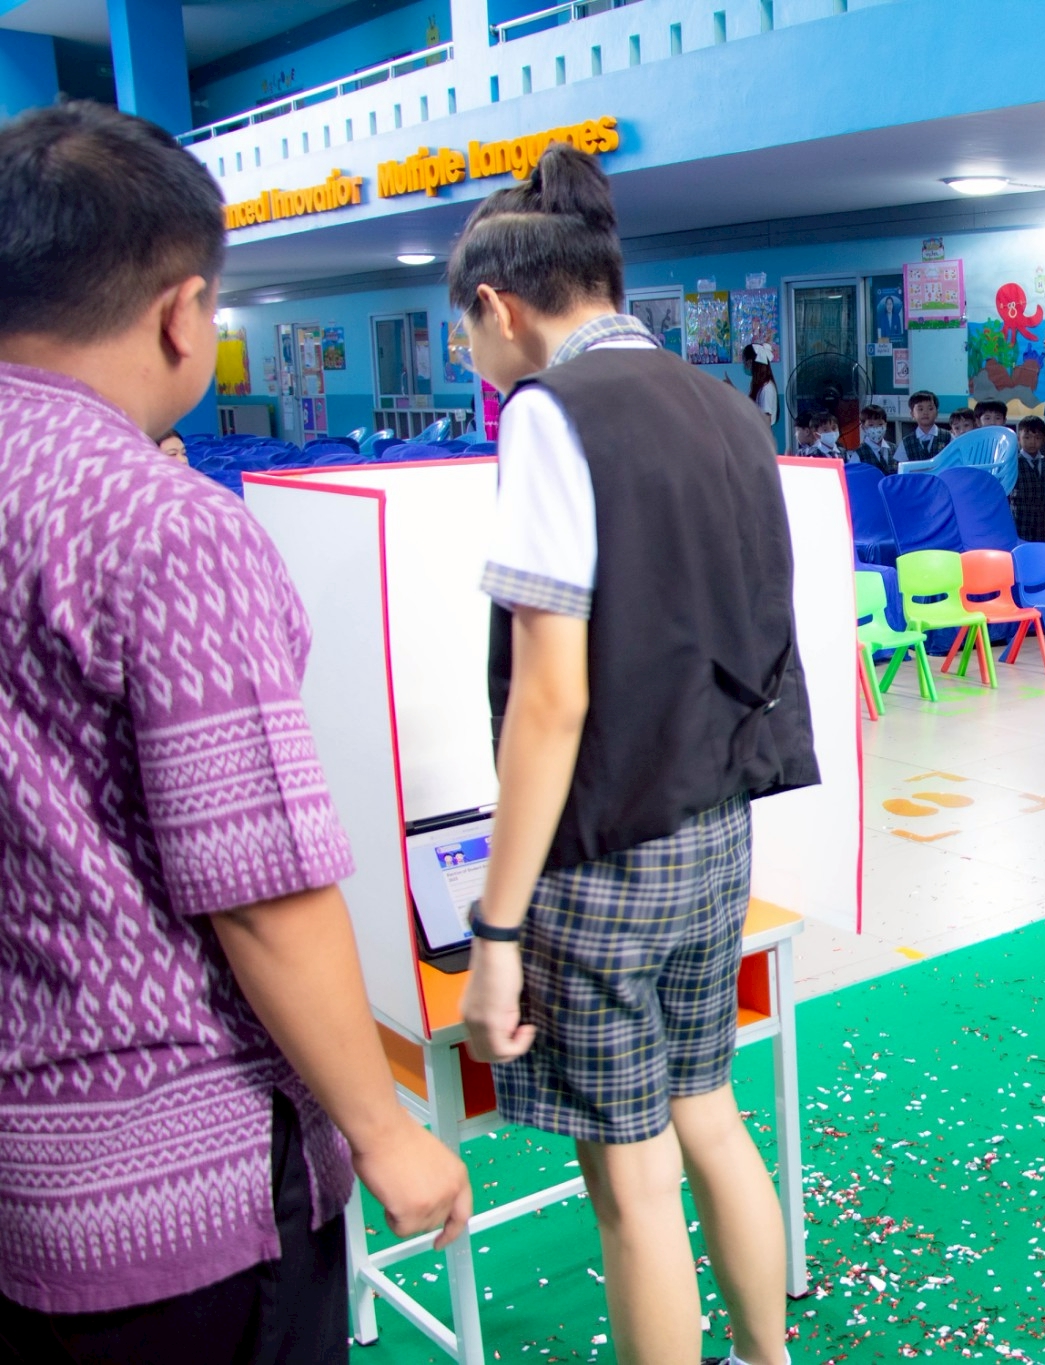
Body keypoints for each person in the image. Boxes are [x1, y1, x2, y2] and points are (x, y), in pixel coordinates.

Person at [0, 100, 470, 1358]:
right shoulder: (161, 525)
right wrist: (384, 1131)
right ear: (181, 312)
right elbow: (260, 889)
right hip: (182, 1191)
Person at [451, 142, 817, 1365]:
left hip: (605, 852)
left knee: (632, 1183)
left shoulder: (550, 415)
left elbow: (549, 701)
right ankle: (766, 1354)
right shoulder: (724, 405)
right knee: (709, 1112)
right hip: (715, 825)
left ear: (501, 306)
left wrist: (496, 933)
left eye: (465, 329)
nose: (469, 353)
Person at [1011, 414, 1045, 543]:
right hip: (1021, 518)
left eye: (1037, 437)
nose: (1032, 442)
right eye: (1027, 437)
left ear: (1044, 439)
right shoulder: (1013, 463)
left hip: (1043, 521)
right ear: (1019, 439)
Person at [901, 389, 948, 461]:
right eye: (920, 409)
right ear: (912, 414)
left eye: (930, 409)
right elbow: (900, 466)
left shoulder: (948, 437)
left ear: (937, 413)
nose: (925, 412)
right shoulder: (906, 442)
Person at [853, 402, 897, 473]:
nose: (876, 428)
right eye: (871, 425)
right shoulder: (859, 453)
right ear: (863, 427)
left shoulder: (894, 449)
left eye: (880, 424)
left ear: (885, 425)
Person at [742, 341, 777, 428]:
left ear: (750, 362)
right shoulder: (759, 386)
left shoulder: (766, 388)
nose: (744, 365)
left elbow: (766, 421)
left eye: (744, 361)